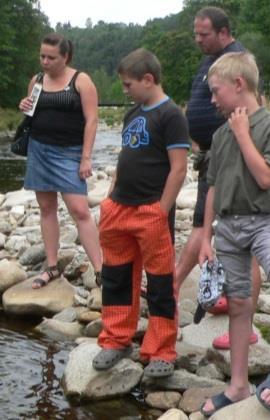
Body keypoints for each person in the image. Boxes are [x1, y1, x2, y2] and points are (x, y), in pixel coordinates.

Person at [198, 51, 270, 416]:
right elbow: (212, 187)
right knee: (239, 303)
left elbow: (266, 178)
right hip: (227, 229)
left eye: (216, 91)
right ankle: (239, 384)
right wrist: (205, 237)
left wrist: (243, 134)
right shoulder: (220, 134)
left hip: (263, 222)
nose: (212, 99)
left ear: (239, 85)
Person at [92, 48, 188, 378]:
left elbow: (178, 169)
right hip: (118, 207)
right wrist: (108, 198)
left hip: (151, 210)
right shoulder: (133, 113)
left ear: (148, 79)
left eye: (128, 83)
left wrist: (162, 210)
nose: (124, 90)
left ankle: (161, 349)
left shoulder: (172, 115)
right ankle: (117, 338)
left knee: (160, 281)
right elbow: (125, 156)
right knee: (117, 277)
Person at [174, 5, 261, 350]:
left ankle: (247, 325)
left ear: (223, 32)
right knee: (215, 229)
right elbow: (205, 104)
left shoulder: (237, 61)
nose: (198, 40)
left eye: (203, 34)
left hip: (231, 157)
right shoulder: (213, 57)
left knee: (242, 239)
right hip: (212, 152)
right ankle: (221, 294)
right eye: (196, 33)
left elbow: (250, 105)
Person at [18, 33, 102, 289]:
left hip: (70, 152)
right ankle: (52, 267)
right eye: (42, 56)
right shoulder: (37, 80)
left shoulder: (81, 81)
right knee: (46, 208)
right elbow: (31, 113)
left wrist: (85, 158)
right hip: (39, 149)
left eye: (51, 57)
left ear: (65, 57)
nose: (45, 61)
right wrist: (24, 105)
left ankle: (101, 270)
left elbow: (92, 120)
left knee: (80, 210)